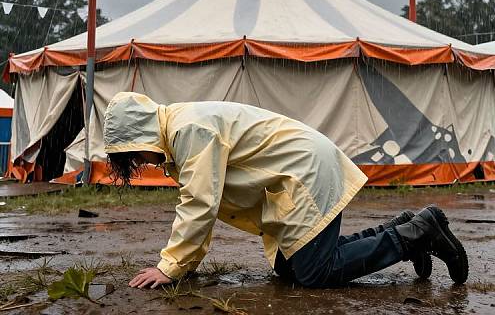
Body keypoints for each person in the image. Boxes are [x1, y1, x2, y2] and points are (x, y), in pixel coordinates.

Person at [104, 92, 468, 289]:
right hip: (294, 174)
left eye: (133, 154)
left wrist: (172, 268)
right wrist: (182, 264)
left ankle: (415, 234)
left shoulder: (189, 131)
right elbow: (205, 200)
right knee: (288, 266)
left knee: (314, 274)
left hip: (304, 173)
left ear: (141, 136)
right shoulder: (180, 127)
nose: (140, 162)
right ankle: (404, 228)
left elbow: (200, 203)